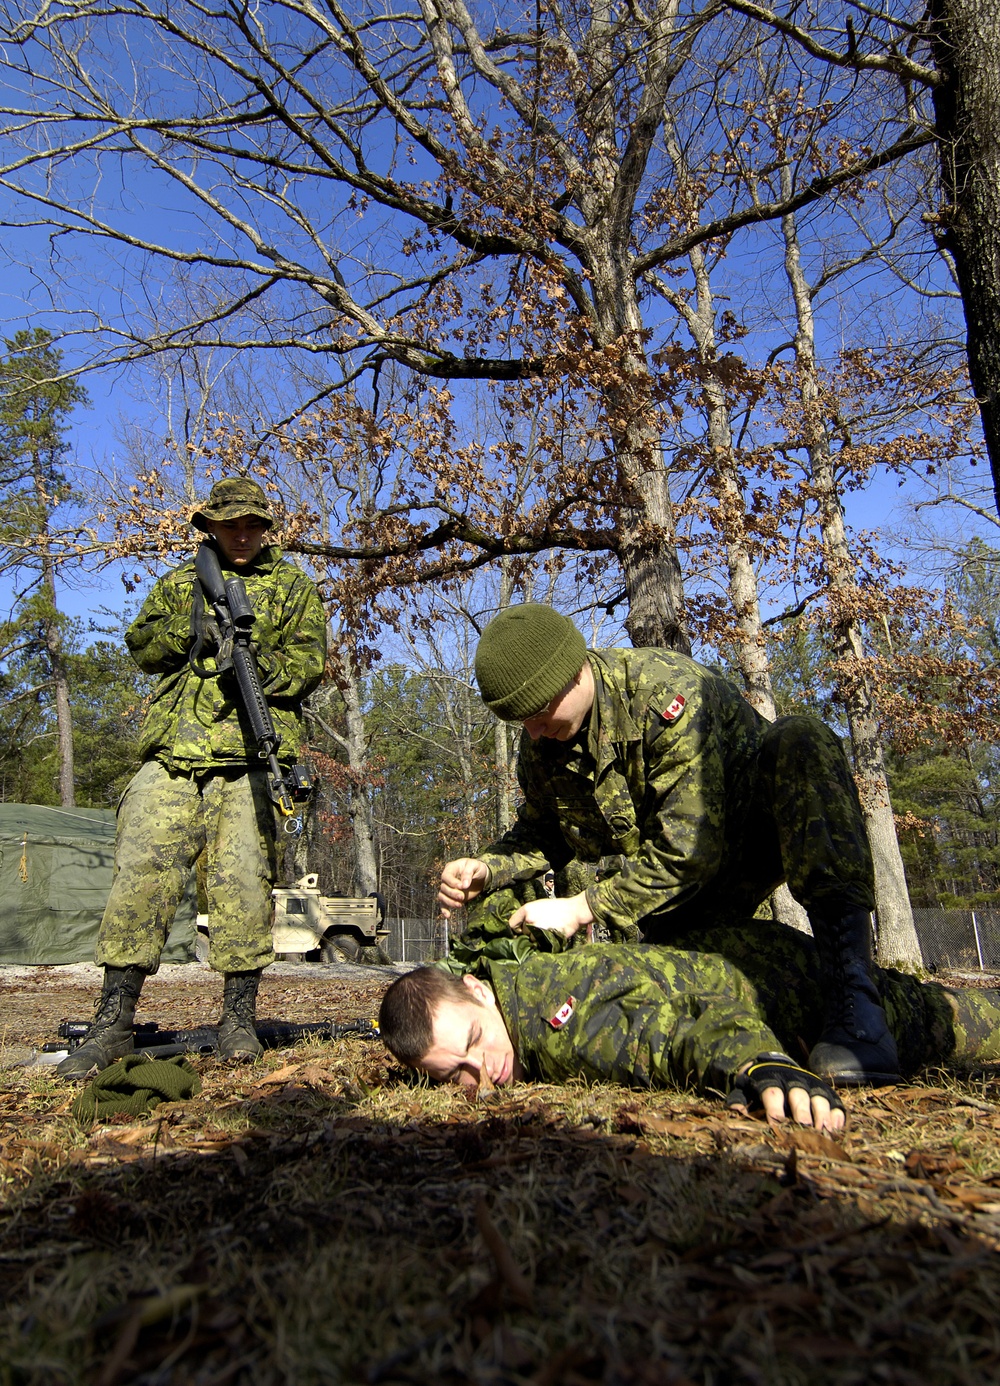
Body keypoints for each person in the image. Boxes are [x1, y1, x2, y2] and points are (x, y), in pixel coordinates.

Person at [438, 603, 899, 1085]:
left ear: (572, 671)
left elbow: (690, 847)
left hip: (754, 839)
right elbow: (543, 831)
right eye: (521, 722)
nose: (533, 732)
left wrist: (581, 908)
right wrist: (487, 867)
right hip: (677, 896)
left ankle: (855, 994)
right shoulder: (545, 745)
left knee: (801, 739)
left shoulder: (665, 691)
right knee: (732, 982)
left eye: (538, 713)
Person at [59, 477, 328, 1080]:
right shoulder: (182, 582)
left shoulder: (291, 587)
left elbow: (310, 663)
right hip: (174, 758)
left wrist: (259, 660)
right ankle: (113, 1024)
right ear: (211, 527)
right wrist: (194, 629)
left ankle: (238, 1021)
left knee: (244, 888)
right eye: (232, 525)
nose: (243, 535)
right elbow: (142, 645)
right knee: (139, 878)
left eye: (253, 525)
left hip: (249, 762)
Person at [379, 920, 1000, 1131]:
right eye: (454, 1077)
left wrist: (757, 1065)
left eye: (474, 1044)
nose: (482, 1073)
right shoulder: (526, 996)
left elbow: (672, 1031)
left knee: (966, 1026)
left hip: (800, 992)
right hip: (760, 962)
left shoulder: (553, 1018)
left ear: (478, 990)